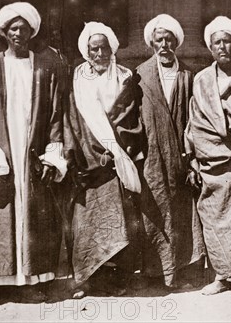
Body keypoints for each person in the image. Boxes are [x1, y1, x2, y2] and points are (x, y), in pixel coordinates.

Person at [0, 2, 67, 308]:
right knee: (0, 212)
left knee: (34, 213)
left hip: (32, 150)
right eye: (13, 28)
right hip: (3, 150)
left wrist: (53, 151)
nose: (18, 33)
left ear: (31, 32)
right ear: (4, 32)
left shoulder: (42, 66)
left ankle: (31, 281)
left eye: (23, 28)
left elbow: (53, 113)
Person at [64, 22, 143, 298]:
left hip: (117, 160)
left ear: (112, 50)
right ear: (86, 51)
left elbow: (129, 118)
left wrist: (115, 150)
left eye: (103, 48)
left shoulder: (124, 77)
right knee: (87, 222)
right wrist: (91, 153)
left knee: (117, 221)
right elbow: (74, 121)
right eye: (93, 49)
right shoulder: (78, 79)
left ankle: (117, 279)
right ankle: (87, 278)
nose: (99, 54)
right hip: (88, 163)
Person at [186, 16, 231, 295]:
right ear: (210, 47)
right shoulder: (201, 79)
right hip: (210, 159)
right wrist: (195, 152)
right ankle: (223, 275)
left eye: (227, 40)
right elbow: (194, 119)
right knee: (214, 217)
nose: (222, 46)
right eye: (216, 42)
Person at [133, 14, 205, 290]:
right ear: (151, 42)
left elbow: (195, 117)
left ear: (176, 42)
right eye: (159, 39)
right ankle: (155, 273)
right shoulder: (139, 74)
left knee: (182, 211)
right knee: (155, 209)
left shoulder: (188, 75)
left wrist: (192, 155)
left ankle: (184, 270)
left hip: (181, 154)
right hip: (152, 154)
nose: (164, 44)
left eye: (169, 40)